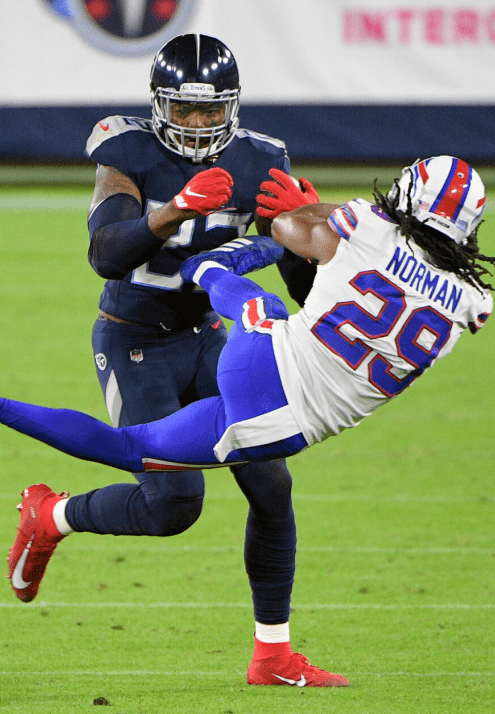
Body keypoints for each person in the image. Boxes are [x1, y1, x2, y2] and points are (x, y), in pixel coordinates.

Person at [0, 155, 495, 686]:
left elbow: (300, 231)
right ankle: (200, 273)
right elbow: (362, 274)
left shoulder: (367, 227)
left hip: (263, 375)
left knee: (253, 322)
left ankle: (205, 270)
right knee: (137, 446)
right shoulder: (474, 303)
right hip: (282, 417)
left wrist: (307, 211)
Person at [40, 32, 342, 686]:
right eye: (185, 109)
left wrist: (302, 233)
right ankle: (53, 516)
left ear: (233, 107)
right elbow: (106, 254)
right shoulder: (126, 152)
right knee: (173, 506)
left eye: (211, 110)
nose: (199, 124)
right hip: (134, 337)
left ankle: (273, 656)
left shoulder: (262, 159)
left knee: (271, 484)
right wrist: (173, 211)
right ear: (159, 105)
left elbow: (305, 292)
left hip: (206, 335)